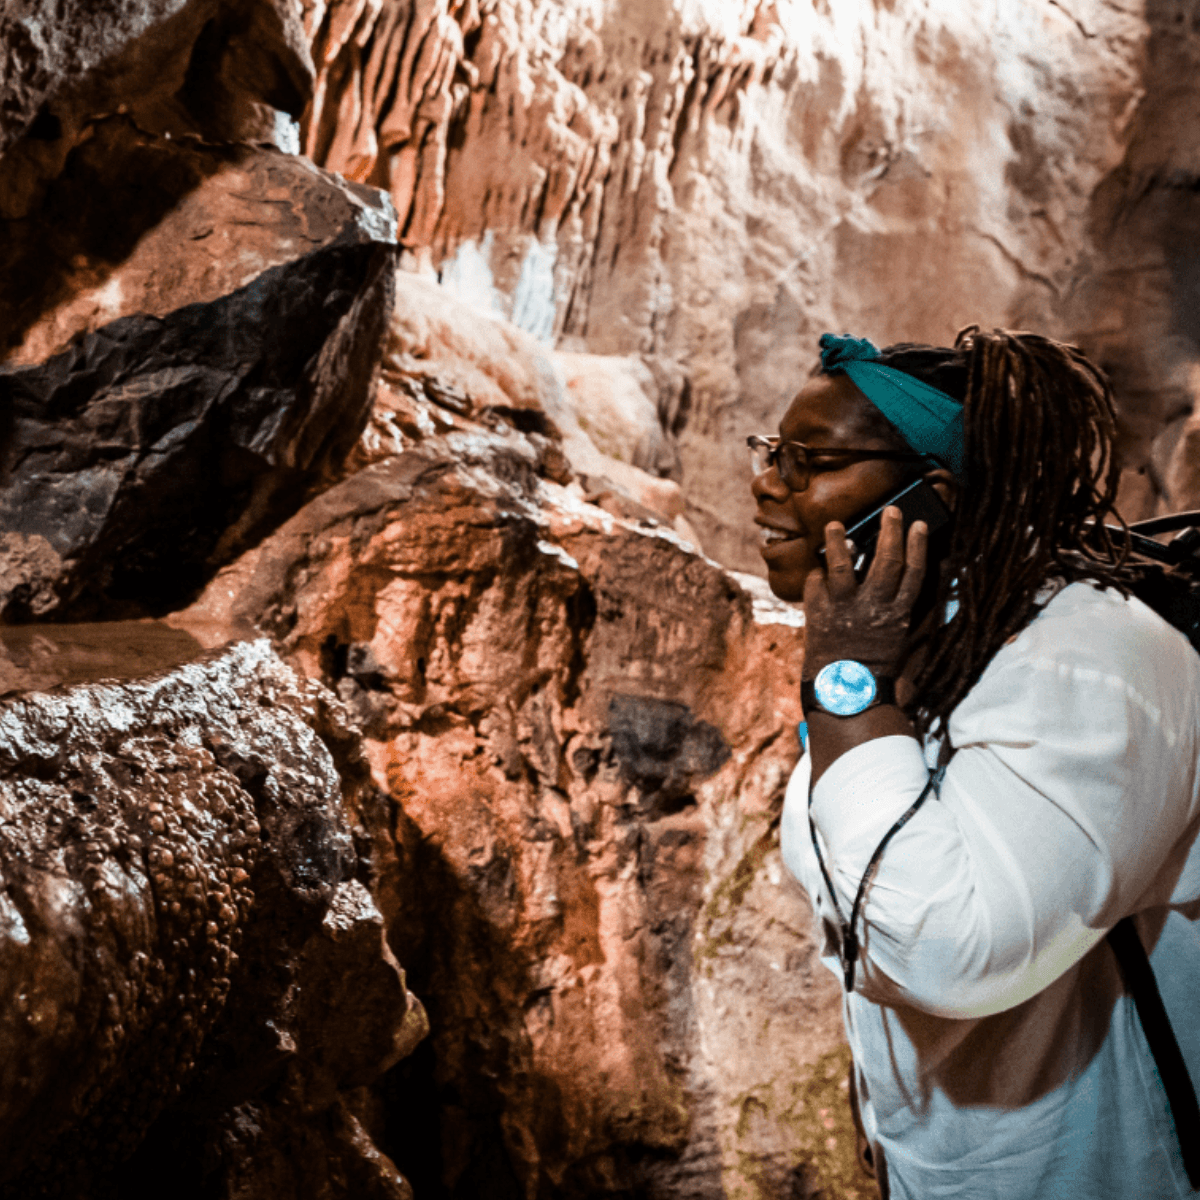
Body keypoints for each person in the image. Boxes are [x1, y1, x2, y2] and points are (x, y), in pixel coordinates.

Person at [749, 328, 1200, 1199]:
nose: (769, 482)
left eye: (812, 461)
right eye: (772, 451)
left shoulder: (1086, 661)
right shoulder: (929, 638)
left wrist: (848, 690)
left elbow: (951, 957)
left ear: (936, 492)